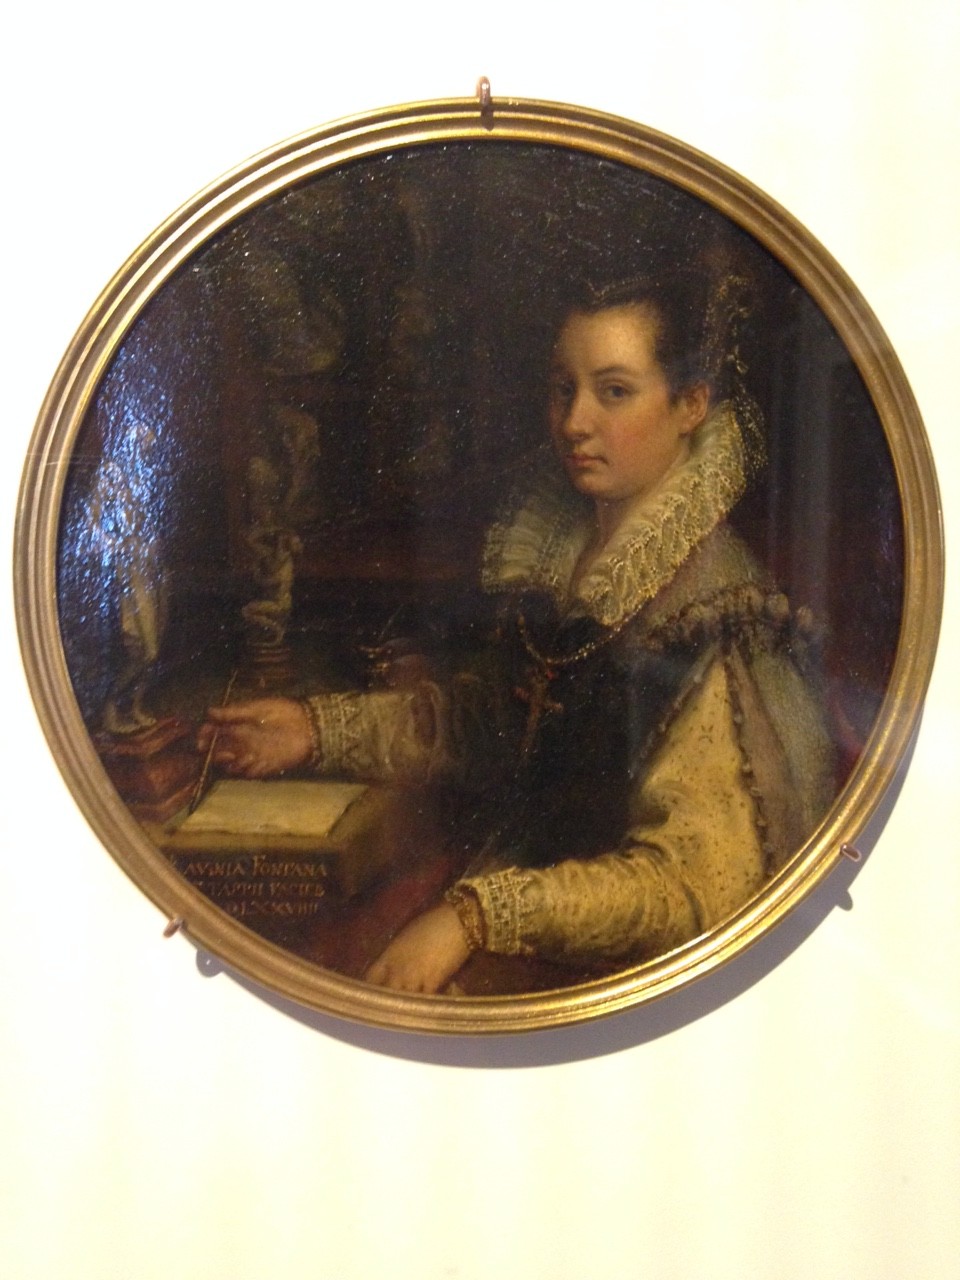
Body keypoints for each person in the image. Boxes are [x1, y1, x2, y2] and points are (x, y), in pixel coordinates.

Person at [198, 271, 834, 994]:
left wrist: (475, 919)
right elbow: (498, 725)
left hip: (627, 973)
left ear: (690, 404)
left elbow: (691, 890)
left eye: (614, 391)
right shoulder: (567, 552)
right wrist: (314, 731)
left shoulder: (717, 617)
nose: (574, 422)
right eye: (564, 389)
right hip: (516, 887)